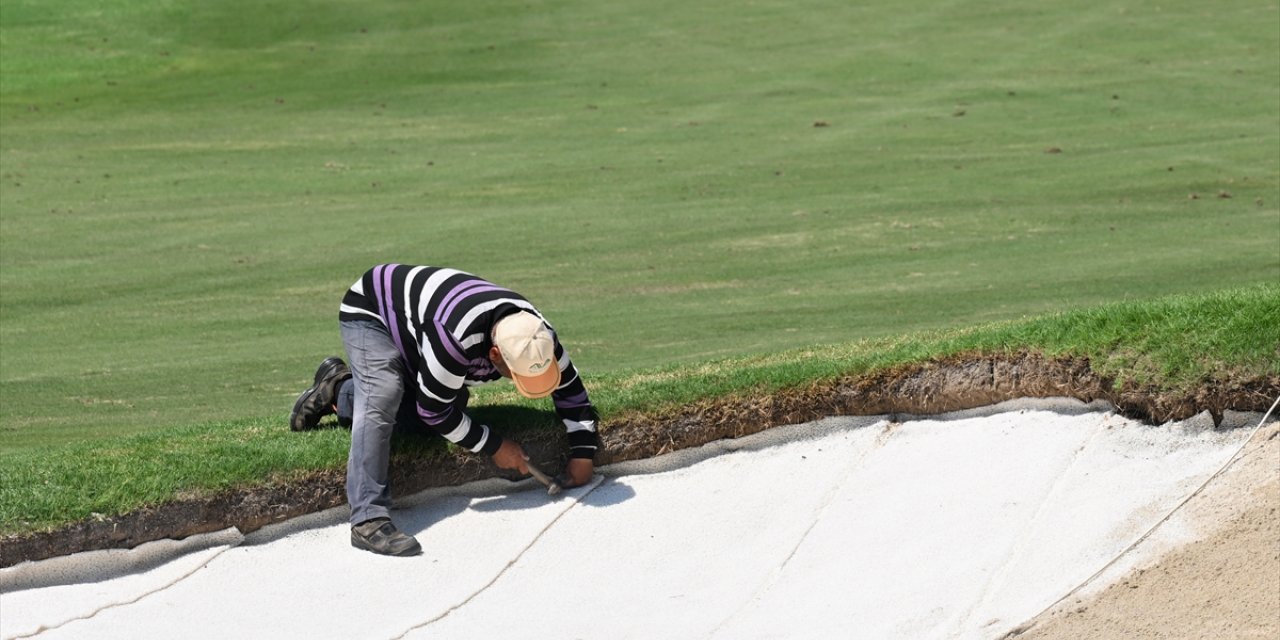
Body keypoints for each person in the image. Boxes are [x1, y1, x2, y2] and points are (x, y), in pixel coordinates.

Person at [289, 263, 601, 557]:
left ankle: (339, 389)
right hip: (373, 310)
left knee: (444, 407)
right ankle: (368, 519)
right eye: (518, 375)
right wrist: (495, 445)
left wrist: (582, 456)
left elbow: (571, 390)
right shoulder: (454, 340)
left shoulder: (536, 335)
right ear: (494, 354)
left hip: (421, 330)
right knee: (384, 396)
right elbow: (435, 412)